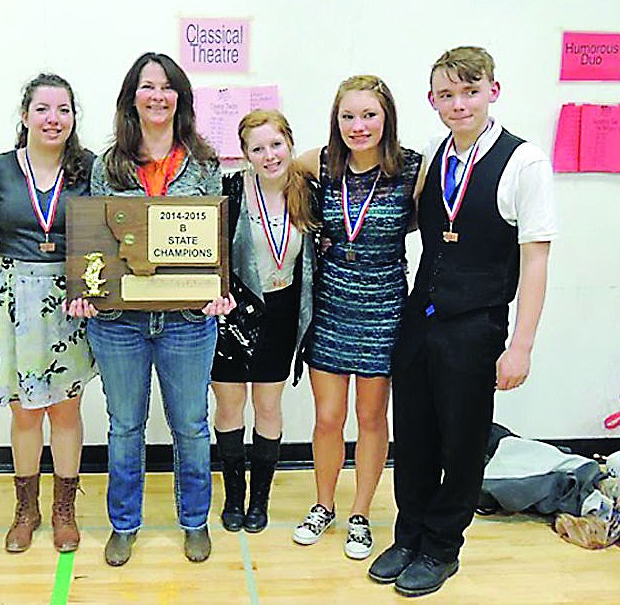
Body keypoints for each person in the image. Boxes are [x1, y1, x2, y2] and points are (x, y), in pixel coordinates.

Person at [368, 47, 555, 596]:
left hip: (476, 324)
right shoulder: (430, 154)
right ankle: (409, 534)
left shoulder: (525, 163)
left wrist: (520, 346)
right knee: (416, 436)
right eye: (446, 95)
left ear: (493, 91)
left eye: (469, 92)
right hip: (419, 318)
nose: (458, 104)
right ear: (432, 102)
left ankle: (442, 546)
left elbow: (536, 260)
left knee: (462, 442)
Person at [65, 51, 234, 566]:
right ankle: (124, 524)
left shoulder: (203, 162)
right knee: (125, 426)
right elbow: (97, 241)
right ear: (131, 98)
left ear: (179, 97)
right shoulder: (105, 164)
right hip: (120, 323)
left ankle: (194, 521)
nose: (157, 95)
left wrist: (219, 289)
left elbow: (213, 241)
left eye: (166, 87)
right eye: (146, 86)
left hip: (188, 321)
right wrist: (87, 290)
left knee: (190, 424)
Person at [294, 75, 421, 560]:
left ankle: (361, 514)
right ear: (336, 120)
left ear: (386, 117)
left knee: (371, 417)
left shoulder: (412, 168)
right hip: (330, 307)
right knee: (328, 418)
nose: (358, 125)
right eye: (348, 116)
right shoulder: (323, 163)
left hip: (385, 307)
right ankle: (323, 504)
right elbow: (282, 166)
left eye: (368, 115)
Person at [0, 73, 96, 554]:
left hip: (72, 296)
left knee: (66, 410)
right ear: (25, 115)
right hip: (14, 296)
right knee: (26, 413)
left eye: (64, 110)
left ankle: (63, 509)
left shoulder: (90, 168)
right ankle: (26, 508)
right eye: (44, 109)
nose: (54, 119)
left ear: (74, 117)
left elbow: (107, 233)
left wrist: (92, 286)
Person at [211, 109, 318, 534]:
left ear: (290, 144)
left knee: (268, 407)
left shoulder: (308, 190)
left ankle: (260, 500)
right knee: (229, 405)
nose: (269, 155)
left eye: (276, 144)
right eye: (258, 148)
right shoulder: (231, 191)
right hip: (234, 312)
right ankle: (234, 497)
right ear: (244, 155)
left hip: (281, 311)